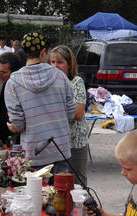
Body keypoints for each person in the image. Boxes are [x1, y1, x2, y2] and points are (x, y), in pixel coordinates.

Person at [5, 32, 76, 175]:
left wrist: (11, 126)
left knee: (37, 195)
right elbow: (71, 113)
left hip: (33, 154)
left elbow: (18, 125)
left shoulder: (13, 83)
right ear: (44, 52)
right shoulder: (61, 77)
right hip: (60, 150)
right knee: (59, 195)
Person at [48, 45, 89, 185]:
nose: (55, 66)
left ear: (69, 64)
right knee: (58, 183)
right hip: (56, 141)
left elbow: (78, 113)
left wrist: (52, 112)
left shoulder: (76, 82)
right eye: (52, 62)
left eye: (60, 62)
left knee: (77, 182)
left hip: (74, 142)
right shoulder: (48, 83)